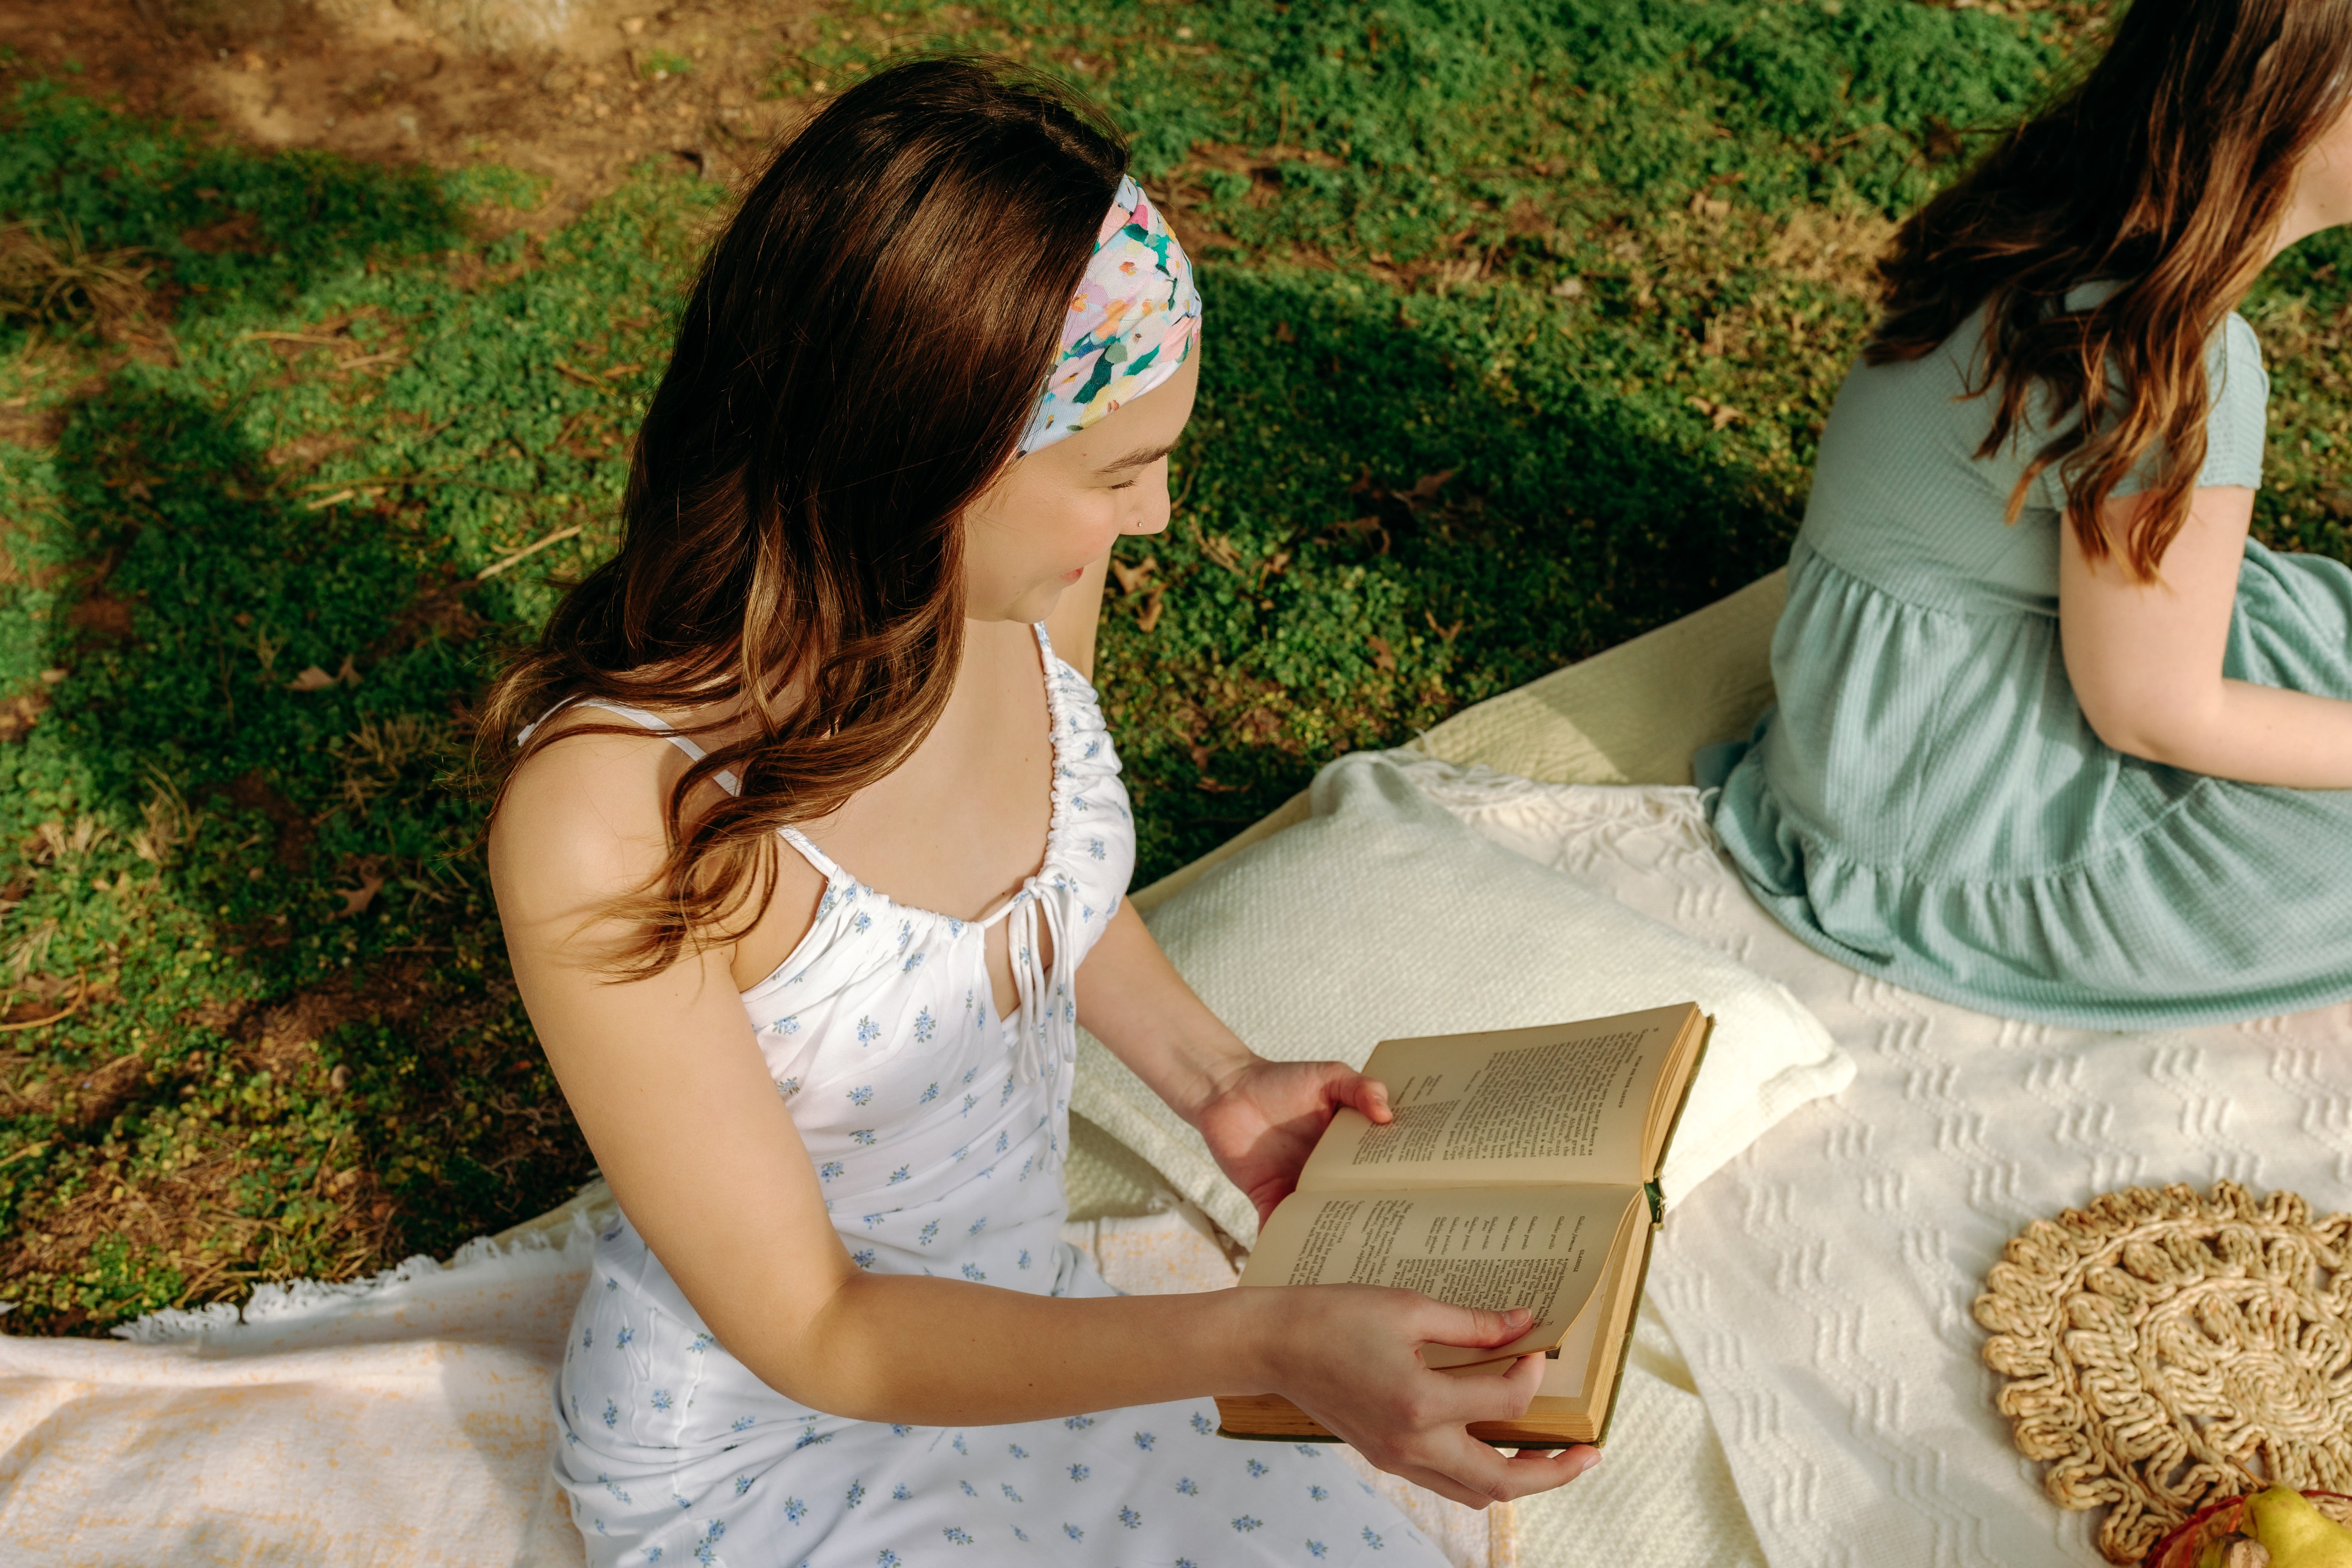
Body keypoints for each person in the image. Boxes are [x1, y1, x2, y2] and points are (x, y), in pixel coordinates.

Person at [481, 56, 1596, 1567]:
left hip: (1041, 1323)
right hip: (775, 1434)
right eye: (1121, 472)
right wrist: (1258, 1336)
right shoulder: (621, 816)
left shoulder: (1024, 581)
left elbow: (1042, 884)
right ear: (927, 460)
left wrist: (1216, 1076)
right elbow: (819, 1327)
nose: (1152, 518)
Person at [1707, 0, 2352, 1028]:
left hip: (1888, 702)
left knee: (2312, 619)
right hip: (1938, 812)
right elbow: (2154, 713)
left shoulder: (2069, 209)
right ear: (2298, 102)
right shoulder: (2170, 359)